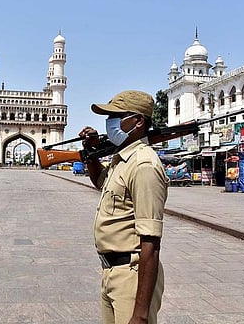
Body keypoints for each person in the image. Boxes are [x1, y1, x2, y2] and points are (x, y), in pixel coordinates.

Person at [79, 90, 169, 324]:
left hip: (132, 276)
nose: (110, 123)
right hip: (112, 273)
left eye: (116, 117)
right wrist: (91, 153)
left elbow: (151, 241)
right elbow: (100, 182)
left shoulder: (143, 165)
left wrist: (140, 314)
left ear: (138, 121)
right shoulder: (122, 159)